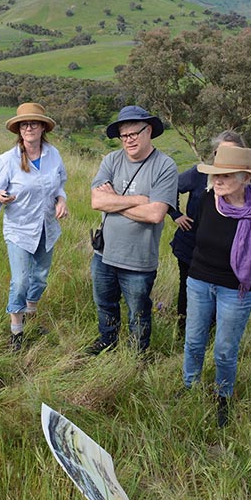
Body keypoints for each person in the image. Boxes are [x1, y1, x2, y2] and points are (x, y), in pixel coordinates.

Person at [178, 145, 251, 427]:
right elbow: (197, 234)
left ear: (246, 178)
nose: (218, 181)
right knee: (194, 341)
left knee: (224, 348)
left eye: (226, 176)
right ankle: (189, 386)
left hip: (235, 290)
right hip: (199, 281)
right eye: (215, 175)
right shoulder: (209, 200)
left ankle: (223, 396)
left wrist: (245, 282)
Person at [88, 105, 178, 354]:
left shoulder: (164, 166)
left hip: (138, 260)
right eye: (123, 136)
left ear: (148, 130)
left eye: (133, 134)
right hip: (104, 254)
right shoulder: (111, 160)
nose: (128, 141)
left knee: (138, 311)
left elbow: (156, 213)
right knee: (104, 304)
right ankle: (107, 341)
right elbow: (97, 202)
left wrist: (114, 201)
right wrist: (139, 199)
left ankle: (137, 354)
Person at [0, 103, 69, 351]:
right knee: (21, 280)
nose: (29, 128)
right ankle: (17, 332)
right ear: (19, 130)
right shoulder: (7, 159)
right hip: (19, 229)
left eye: (34, 123)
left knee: (40, 278)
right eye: (24, 124)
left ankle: (32, 316)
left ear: (43, 127)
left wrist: (62, 200)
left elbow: (59, 184)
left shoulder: (53, 155)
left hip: (47, 226)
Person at [168, 131, 247, 331]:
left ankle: (210, 334)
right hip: (190, 247)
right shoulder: (199, 174)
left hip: (222, 255)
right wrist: (175, 213)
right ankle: (183, 333)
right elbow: (171, 186)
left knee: (216, 294)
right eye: (221, 152)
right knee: (187, 291)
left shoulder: (242, 182)